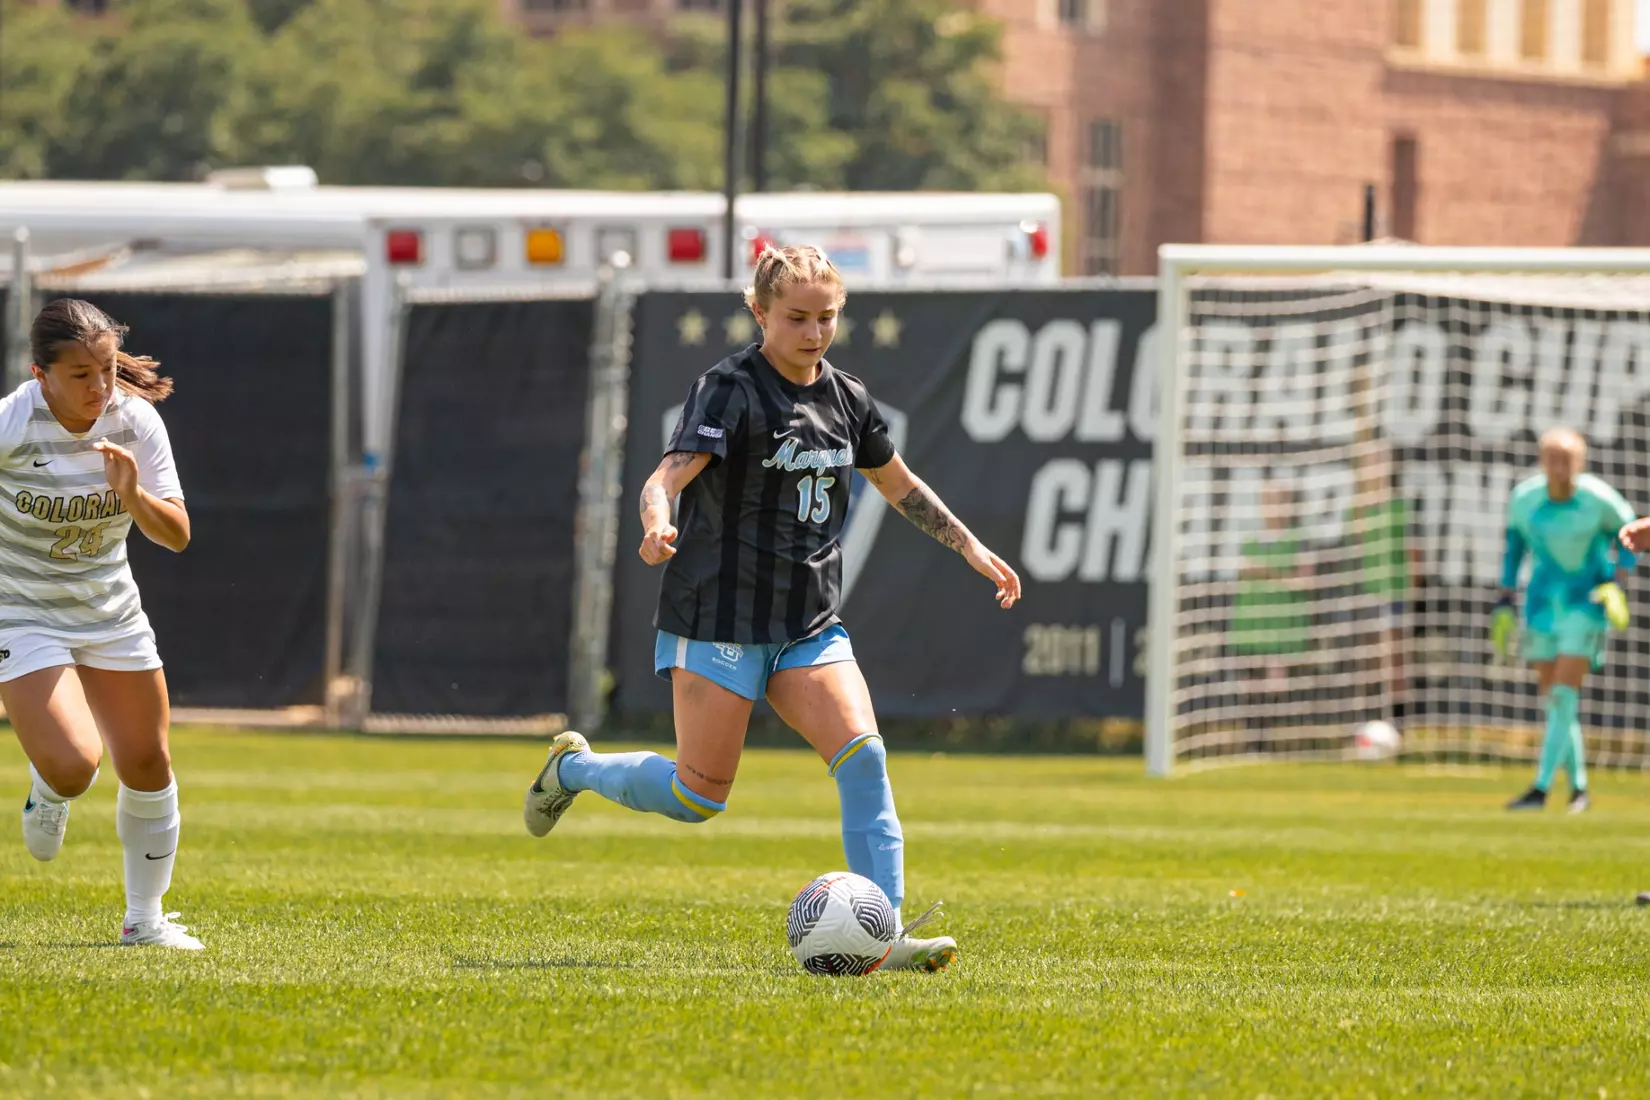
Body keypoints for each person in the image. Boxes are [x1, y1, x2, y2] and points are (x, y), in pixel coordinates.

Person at [522, 245, 1021, 972]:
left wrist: (971, 547)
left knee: (865, 758)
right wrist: (656, 522)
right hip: (718, 618)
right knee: (698, 798)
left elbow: (900, 484)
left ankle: (888, 932)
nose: (814, 332)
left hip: (808, 623)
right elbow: (667, 476)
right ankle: (573, 772)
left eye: (826, 317)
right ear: (759, 313)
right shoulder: (728, 389)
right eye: (796, 318)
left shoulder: (847, 399)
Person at [2, 298, 199, 949]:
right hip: (19, 608)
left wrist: (132, 495)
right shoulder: (12, 423)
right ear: (41, 374)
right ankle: (47, 785)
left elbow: (176, 537)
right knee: (72, 767)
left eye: (108, 369)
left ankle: (144, 921)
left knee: (147, 759)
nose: (101, 387)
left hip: (108, 608)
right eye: (81, 375)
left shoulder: (134, 420)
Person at [1494, 428, 1634, 814]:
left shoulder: (1598, 499)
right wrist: (1505, 597)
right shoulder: (1525, 500)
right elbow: (1514, 548)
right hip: (1542, 603)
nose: (1560, 467)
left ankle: (1539, 789)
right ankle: (1579, 789)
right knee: (1557, 703)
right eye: (1552, 458)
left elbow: (1631, 537)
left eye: (1568, 459)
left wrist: (1615, 583)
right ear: (1541, 461)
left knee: (1563, 694)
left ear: (1581, 462)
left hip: (1585, 603)